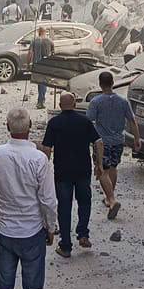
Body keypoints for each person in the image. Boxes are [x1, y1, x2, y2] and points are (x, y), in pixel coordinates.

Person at [0, 106, 57, 289]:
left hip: (5, 229)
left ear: (7, 126)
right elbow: (48, 200)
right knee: (32, 287)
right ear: (30, 125)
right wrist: (51, 227)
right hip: (32, 231)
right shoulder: (39, 159)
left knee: (4, 282)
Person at [42, 93, 103, 257]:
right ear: (75, 104)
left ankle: (66, 245)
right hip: (83, 170)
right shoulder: (84, 121)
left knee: (64, 207)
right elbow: (98, 142)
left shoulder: (54, 123)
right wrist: (99, 164)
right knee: (85, 202)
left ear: (60, 106)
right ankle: (83, 234)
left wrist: (44, 169)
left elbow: (47, 148)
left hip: (63, 172)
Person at [87, 71, 140, 220]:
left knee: (102, 170)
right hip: (118, 141)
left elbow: (88, 121)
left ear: (100, 84)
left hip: (102, 142)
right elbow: (132, 121)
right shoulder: (123, 102)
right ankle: (109, 196)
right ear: (112, 83)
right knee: (113, 168)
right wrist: (137, 139)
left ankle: (111, 200)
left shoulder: (96, 102)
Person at [29, 25, 53, 109]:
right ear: (45, 32)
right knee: (43, 82)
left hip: (37, 64)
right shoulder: (49, 41)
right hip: (46, 64)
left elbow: (30, 53)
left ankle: (41, 100)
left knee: (40, 82)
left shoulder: (34, 40)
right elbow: (53, 53)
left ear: (38, 32)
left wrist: (29, 63)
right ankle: (41, 100)